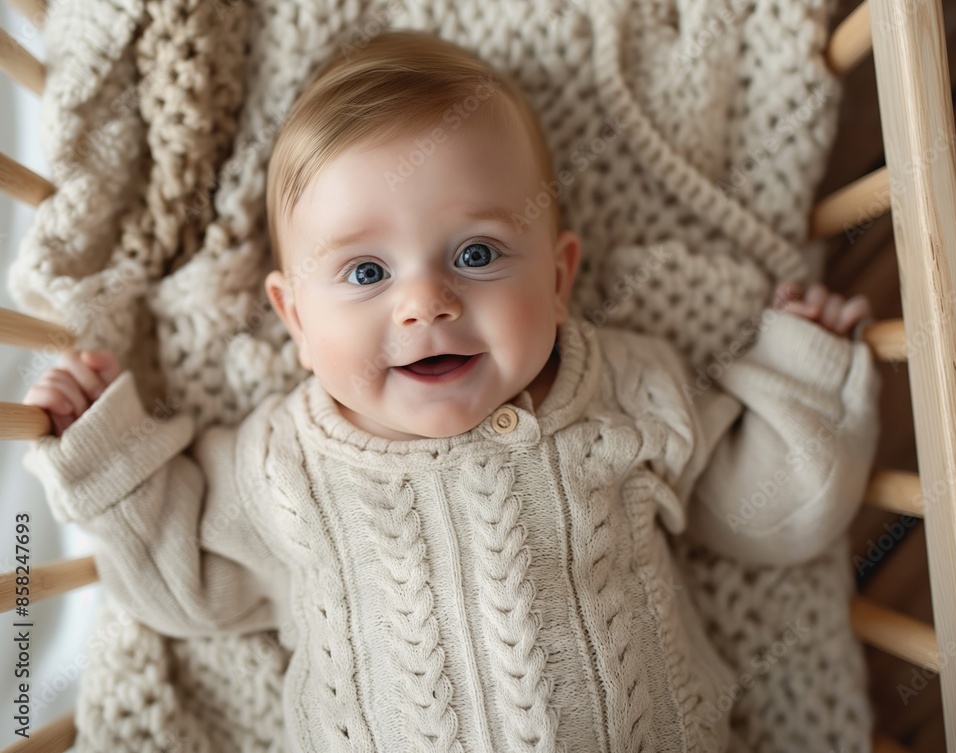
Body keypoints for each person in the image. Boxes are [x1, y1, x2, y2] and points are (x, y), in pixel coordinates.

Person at [22, 29, 879, 753]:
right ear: (292, 315)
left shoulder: (627, 387)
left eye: (476, 254)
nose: (426, 301)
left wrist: (802, 372)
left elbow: (770, 518)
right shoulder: (282, 462)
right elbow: (182, 586)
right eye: (364, 271)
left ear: (557, 276)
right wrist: (111, 457)